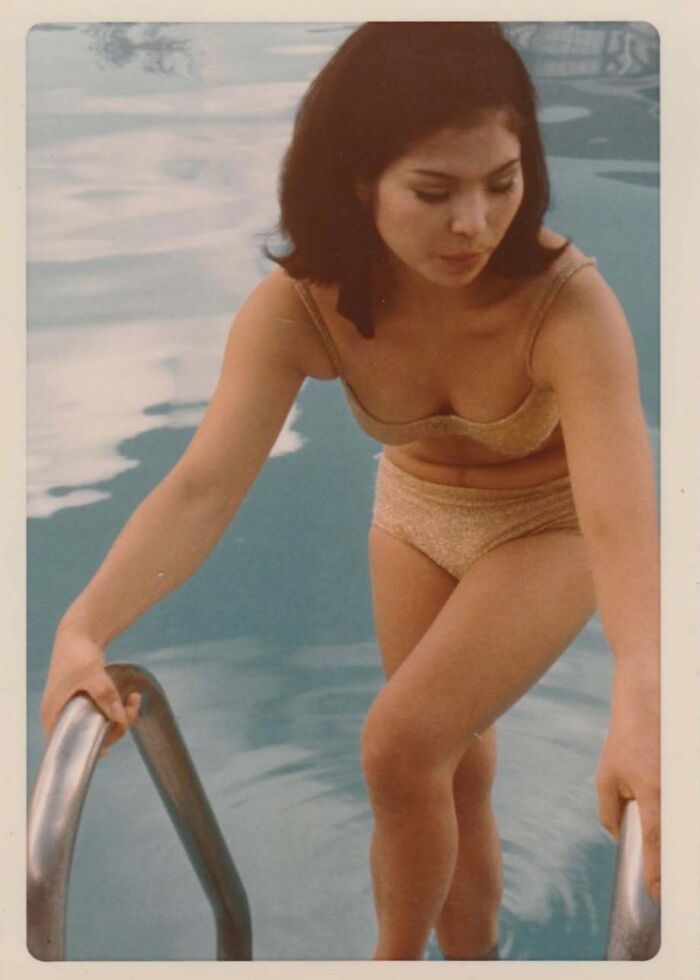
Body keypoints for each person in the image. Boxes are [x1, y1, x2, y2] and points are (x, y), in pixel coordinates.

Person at [39, 22, 660, 961]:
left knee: (398, 746)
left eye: (503, 182)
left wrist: (641, 704)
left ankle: (391, 961)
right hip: (412, 515)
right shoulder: (299, 309)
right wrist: (81, 626)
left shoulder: (566, 304)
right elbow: (205, 485)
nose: (476, 225)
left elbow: (621, 519)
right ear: (358, 179)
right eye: (434, 191)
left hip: (552, 525)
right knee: (448, 773)